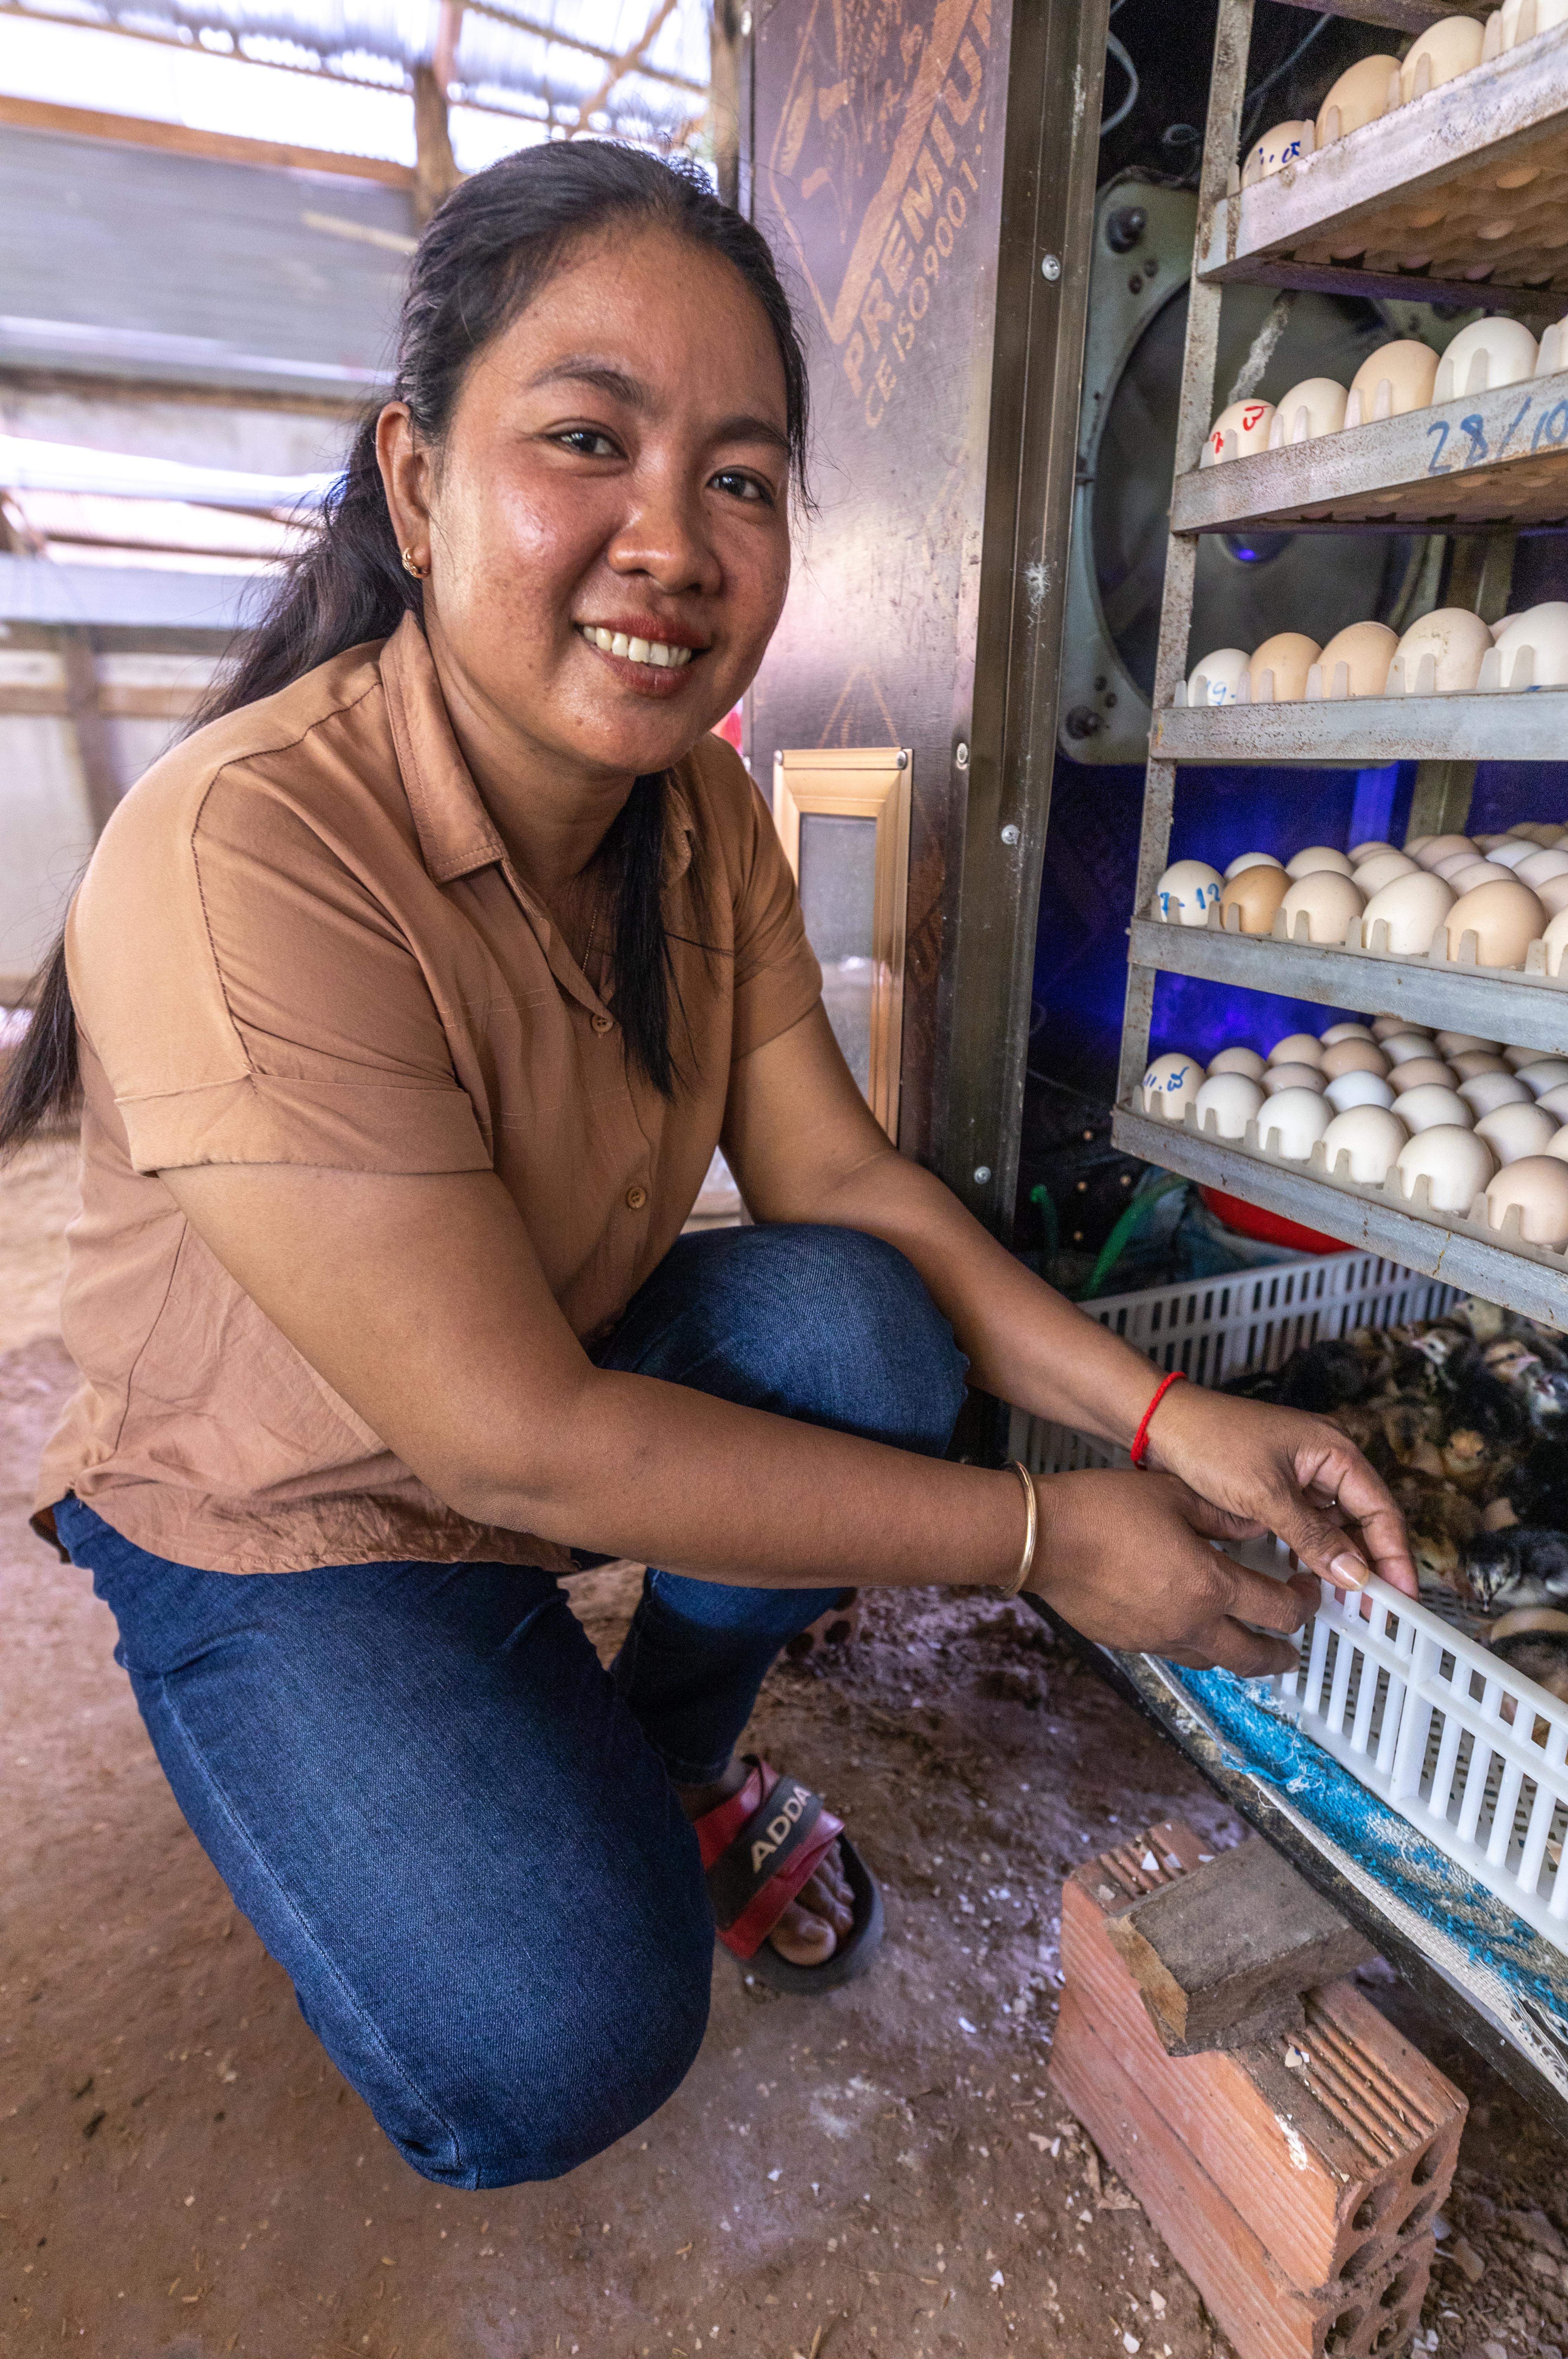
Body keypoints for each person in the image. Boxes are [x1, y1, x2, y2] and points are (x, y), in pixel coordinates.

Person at [0, 142, 1412, 2193]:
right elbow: (511, 1445)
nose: (670, 541)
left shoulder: (700, 822)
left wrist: (1161, 1419)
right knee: (556, 2028)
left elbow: (846, 1183)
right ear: (416, 482)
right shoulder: (248, 854)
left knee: (862, 1323)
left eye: (739, 478)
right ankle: (436, 1762)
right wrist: (1041, 1539)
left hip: (537, 1390)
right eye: (588, 441)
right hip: (280, 1502)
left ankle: (660, 1761)